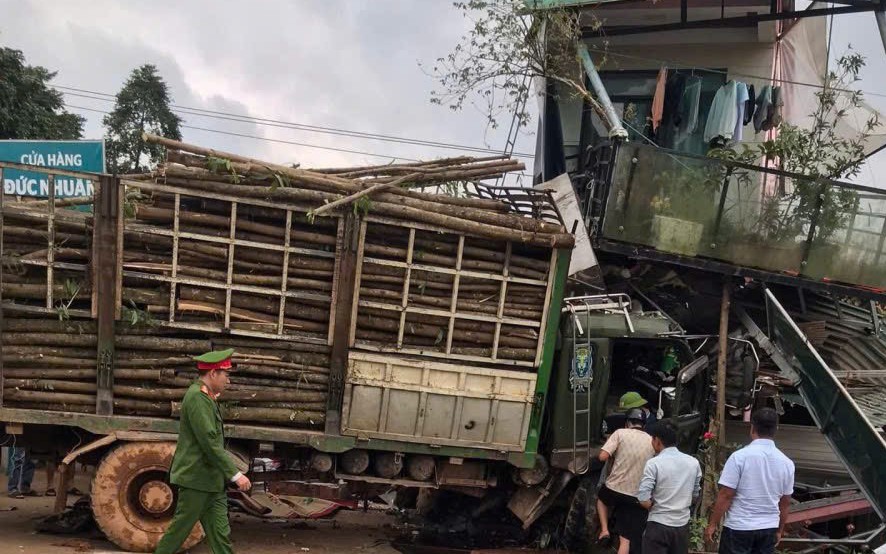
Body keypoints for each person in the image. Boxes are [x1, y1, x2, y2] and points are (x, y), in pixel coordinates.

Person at [154, 348, 251, 554]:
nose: (228, 381)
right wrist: (235, 474)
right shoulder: (197, 398)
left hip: (211, 480)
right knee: (179, 532)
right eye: (226, 375)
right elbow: (209, 442)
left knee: (219, 533)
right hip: (196, 479)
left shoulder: (207, 397)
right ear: (213, 373)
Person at [704, 408, 795, 554]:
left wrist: (713, 524)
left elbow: (726, 494)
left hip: (739, 527)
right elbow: (785, 502)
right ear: (776, 429)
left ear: (752, 427)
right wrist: (779, 530)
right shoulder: (787, 463)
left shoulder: (739, 457)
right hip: (768, 528)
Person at [637, 421, 702, 554]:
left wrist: (653, 505)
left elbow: (643, 499)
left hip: (658, 525)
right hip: (681, 526)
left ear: (657, 441)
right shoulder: (693, 463)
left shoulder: (653, 463)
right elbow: (695, 495)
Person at [596, 408, 655, 554]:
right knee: (626, 540)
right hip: (635, 496)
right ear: (643, 424)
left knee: (601, 499)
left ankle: (604, 530)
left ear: (627, 423)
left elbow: (602, 457)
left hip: (613, 489)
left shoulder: (620, 433)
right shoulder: (651, 440)